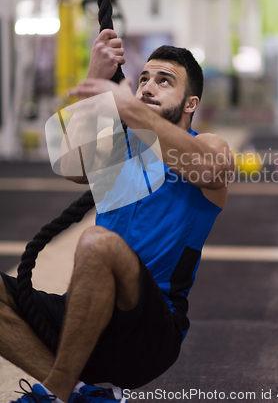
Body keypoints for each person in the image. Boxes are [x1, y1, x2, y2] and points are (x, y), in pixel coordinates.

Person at [0, 29, 234, 403]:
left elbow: (210, 170)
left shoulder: (208, 146)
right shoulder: (119, 148)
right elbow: (69, 164)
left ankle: (54, 395)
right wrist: (96, 76)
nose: (147, 86)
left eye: (163, 81)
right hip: (85, 313)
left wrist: (129, 108)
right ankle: (84, 394)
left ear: (190, 103)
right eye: (143, 79)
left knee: (98, 244)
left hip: (150, 330)